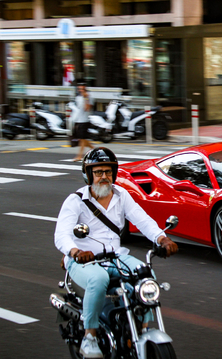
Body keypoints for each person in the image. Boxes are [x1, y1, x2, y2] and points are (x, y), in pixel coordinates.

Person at [54, 147, 179, 359]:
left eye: (108, 172)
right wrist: (74, 251)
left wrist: (162, 238)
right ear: (88, 174)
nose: (104, 177)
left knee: (146, 275)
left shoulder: (122, 196)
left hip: (116, 256)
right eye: (98, 172)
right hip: (85, 261)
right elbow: (61, 234)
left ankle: (143, 329)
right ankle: (90, 336)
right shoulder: (75, 201)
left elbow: (143, 220)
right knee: (98, 278)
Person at [72, 82, 94, 162]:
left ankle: (79, 156)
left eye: (82, 89)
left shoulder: (89, 97)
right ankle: (94, 150)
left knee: (82, 139)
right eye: (79, 89)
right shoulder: (78, 98)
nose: (80, 90)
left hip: (85, 120)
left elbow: (87, 108)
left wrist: (86, 98)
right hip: (78, 120)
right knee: (82, 139)